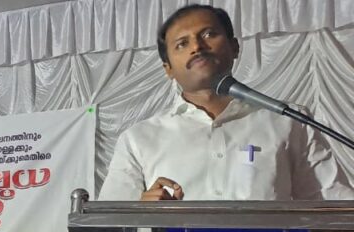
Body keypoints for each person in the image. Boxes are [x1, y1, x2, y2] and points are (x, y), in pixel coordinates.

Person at [100, 5, 353, 202]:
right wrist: (141, 212)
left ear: (234, 47)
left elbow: (333, 205)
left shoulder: (288, 120)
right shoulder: (138, 139)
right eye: (182, 44)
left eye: (208, 34)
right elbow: (107, 226)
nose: (197, 47)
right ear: (168, 69)